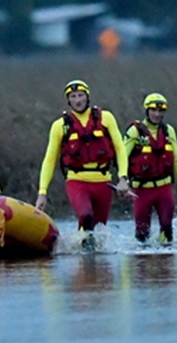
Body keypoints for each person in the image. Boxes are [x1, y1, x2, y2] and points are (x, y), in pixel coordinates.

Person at [35, 80, 132, 241]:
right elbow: (49, 159)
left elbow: (120, 148)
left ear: (88, 97)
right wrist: (42, 192)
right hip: (77, 181)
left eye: (80, 95)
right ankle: (82, 257)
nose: (78, 100)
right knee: (86, 216)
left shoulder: (106, 118)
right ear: (68, 100)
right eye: (73, 96)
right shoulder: (60, 126)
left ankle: (92, 261)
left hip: (103, 181)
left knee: (99, 229)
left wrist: (123, 178)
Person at [123, 92, 177, 243]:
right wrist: (123, 182)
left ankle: (166, 264)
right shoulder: (135, 131)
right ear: (147, 111)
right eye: (153, 110)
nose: (157, 114)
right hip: (142, 190)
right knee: (142, 233)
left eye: (161, 111)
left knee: (167, 229)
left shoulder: (168, 131)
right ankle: (138, 264)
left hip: (163, 189)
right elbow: (122, 158)